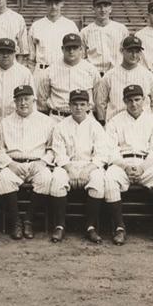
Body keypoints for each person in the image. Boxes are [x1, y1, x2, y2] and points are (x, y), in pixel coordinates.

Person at [104, 85, 153, 247]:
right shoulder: (115, 121)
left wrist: (142, 168)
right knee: (109, 179)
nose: (134, 104)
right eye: (129, 100)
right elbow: (111, 150)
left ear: (144, 100)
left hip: (146, 164)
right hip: (123, 163)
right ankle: (119, 227)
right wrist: (125, 166)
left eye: (137, 100)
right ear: (124, 101)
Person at [0, 85, 56, 240]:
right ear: (14, 102)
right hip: (14, 163)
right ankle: (16, 222)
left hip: (37, 163)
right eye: (19, 100)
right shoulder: (5, 122)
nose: (23, 103)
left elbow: (52, 149)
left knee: (46, 179)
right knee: (5, 179)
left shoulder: (47, 122)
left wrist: (43, 162)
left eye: (26, 99)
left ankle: (28, 219)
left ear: (33, 100)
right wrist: (10, 164)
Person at [50, 89, 110, 244]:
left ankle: (90, 226)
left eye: (82, 104)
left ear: (88, 106)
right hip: (66, 165)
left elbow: (101, 154)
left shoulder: (95, 126)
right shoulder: (61, 126)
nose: (78, 108)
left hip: (89, 166)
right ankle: (60, 225)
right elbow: (58, 152)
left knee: (98, 180)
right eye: (75, 104)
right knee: (57, 179)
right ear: (69, 106)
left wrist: (87, 170)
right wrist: (69, 169)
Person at [96, 35, 153, 123]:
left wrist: (150, 123)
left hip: (142, 125)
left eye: (137, 51)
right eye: (130, 51)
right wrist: (104, 122)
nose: (134, 55)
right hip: (116, 124)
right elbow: (101, 102)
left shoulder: (149, 76)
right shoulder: (109, 76)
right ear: (122, 51)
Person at [37, 33, 100, 120]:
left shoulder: (91, 70)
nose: (71, 51)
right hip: (58, 117)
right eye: (68, 48)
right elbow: (42, 99)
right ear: (62, 49)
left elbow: (98, 98)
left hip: (84, 118)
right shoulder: (50, 70)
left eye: (75, 48)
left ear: (81, 49)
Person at [28, 0, 79, 79]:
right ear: (46, 4)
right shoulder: (36, 26)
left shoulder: (70, 25)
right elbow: (31, 57)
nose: (53, 6)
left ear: (62, 4)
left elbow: (77, 54)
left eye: (56, 3)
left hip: (63, 71)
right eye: (50, 3)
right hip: (41, 71)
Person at [80, 0, 128, 76]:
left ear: (110, 8)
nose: (102, 10)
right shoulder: (85, 31)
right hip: (93, 74)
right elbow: (81, 57)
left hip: (116, 73)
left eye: (105, 6)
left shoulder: (121, 29)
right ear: (93, 9)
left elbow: (126, 54)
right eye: (99, 6)